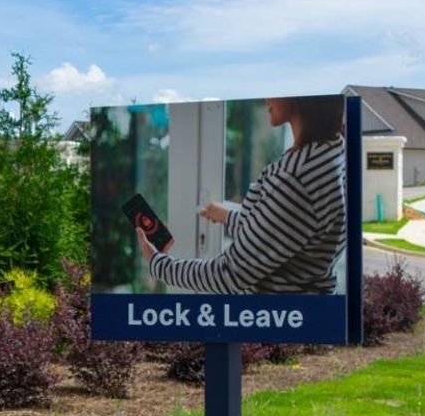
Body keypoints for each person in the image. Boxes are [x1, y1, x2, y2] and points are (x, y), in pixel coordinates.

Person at [136, 95, 346, 294]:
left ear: (301, 95)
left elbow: (229, 274)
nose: (266, 96)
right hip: (312, 312)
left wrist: (158, 263)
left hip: (281, 321)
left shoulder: (296, 178)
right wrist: (229, 216)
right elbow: (286, 232)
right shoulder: (334, 149)